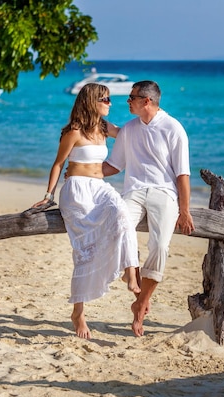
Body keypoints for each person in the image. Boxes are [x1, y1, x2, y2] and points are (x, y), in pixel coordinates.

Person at [32, 83, 140, 340]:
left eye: (110, 99)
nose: (109, 103)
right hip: (77, 191)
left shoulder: (105, 128)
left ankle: (130, 272)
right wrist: (48, 196)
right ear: (92, 101)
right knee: (85, 251)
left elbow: (131, 134)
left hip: (99, 187)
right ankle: (78, 313)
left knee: (122, 214)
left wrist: (154, 119)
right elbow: (58, 164)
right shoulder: (74, 131)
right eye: (104, 99)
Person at [105, 80, 195, 336]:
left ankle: (142, 301)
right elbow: (114, 165)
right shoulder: (129, 129)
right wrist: (83, 172)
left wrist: (185, 210)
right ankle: (132, 275)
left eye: (131, 97)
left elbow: (182, 174)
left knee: (160, 246)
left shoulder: (173, 128)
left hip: (164, 193)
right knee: (118, 226)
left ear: (146, 101)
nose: (127, 101)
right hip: (134, 191)